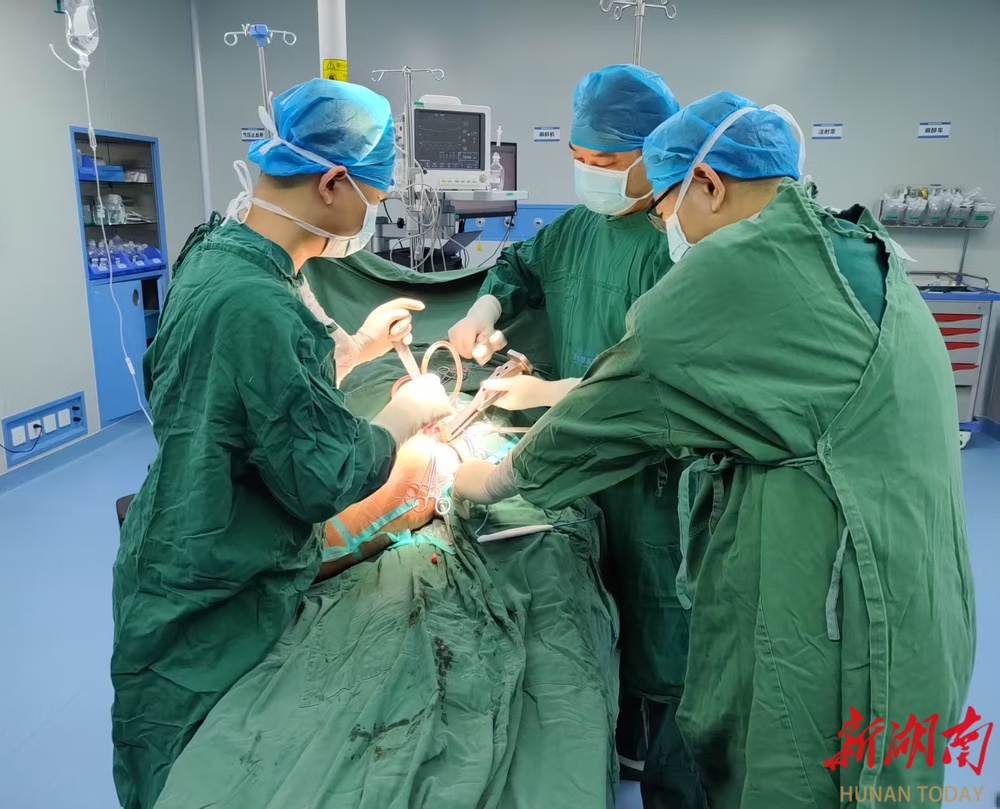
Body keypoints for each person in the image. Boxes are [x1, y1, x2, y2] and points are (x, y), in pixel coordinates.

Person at [452, 91, 975, 807]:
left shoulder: (735, 270)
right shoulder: (848, 241)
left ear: (707, 183)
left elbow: (609, 410)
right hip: (921, 579)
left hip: (840, 596)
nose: (664, 226)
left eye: (665, 209)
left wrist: (487, 480)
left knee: (802, 773)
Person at [111, 79, 450, 809]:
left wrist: (355, 349)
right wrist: (406, 413)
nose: (372, 214)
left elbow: (241, 383)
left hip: (180, 522)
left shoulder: (218, 253)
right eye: (373, 196)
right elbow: (324, 476)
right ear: (332, 184)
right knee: (195, 768)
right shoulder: (257, 300)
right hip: (214, 575)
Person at [448, 64, 706, 808]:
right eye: (579, 157)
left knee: (660, 610)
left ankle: (659, 754)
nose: (590, 171)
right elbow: (522, 265)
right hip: (581, 459)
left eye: (607, 160)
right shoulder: (577, 228)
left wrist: (549, 394)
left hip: (655, 472)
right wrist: (486, 311)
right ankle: (610, 720)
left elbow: (668, 377)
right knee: (590, 594)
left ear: (655, 156)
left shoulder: (682, 244)